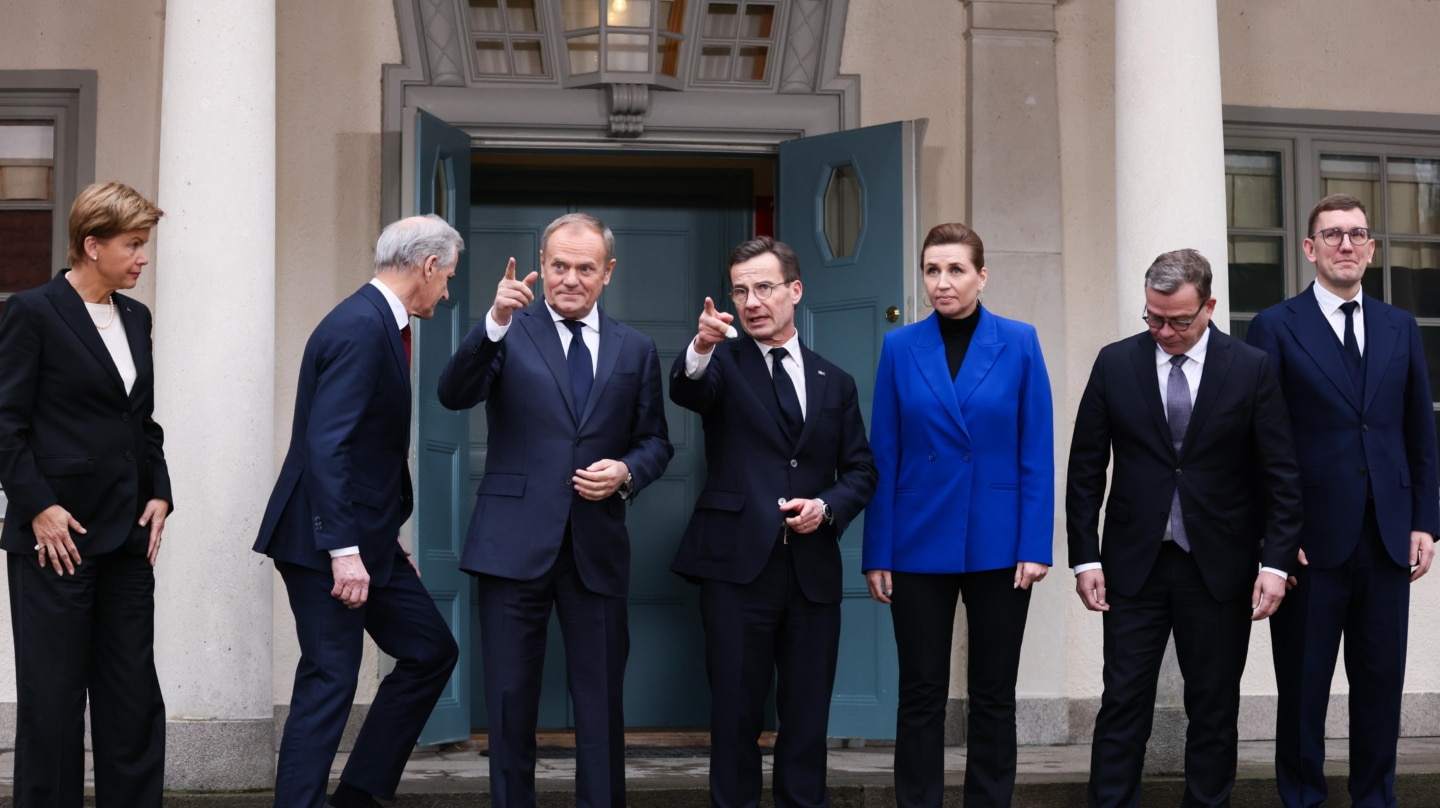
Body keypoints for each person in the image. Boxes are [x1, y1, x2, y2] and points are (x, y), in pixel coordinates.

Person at [436, 212, 673, 808]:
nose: (570, 278)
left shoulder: (635, 348)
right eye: (558, 266)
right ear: (541, 267)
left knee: (600, 701)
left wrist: (626, 471)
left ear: (608, 272)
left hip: (596, 545)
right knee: (511, 700)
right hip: (512, 544)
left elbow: (655, 441)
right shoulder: (506, 329)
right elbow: (453, 392)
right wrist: (493, 321)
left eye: (584, 268)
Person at [1066, 248, 1302, 807]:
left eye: (1178, 320)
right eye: (1153, 317)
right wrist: (1086, 557)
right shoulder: (1115, 363)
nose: (1164, 331)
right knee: (1123, 702)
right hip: (1132, 565)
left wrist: (1275, 562)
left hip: (1219, 567)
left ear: (1209, 306)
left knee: (1215, 706)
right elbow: (1085, 468)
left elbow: (1281, 475)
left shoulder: (1250, 368)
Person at [254, 215, 462, 808]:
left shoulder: (378, 323)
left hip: (367, 538)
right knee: (330, 681)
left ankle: (361, 795)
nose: (446, 291)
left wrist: (384, 536)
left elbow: (365, 449)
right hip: (326, 545)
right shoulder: (359, 327)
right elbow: (328, 445)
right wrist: (345, 550)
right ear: (426, 267)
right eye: (446, 277)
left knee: (430, 652)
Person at [1246, 193, 1439, 808]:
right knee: (1303, 688)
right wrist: (1276, 536)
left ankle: (1374, 799)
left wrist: (1425, 523)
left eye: (1357, 235)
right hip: (1308, 543)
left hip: (1387, 536)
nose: (1346, 245)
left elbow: (1420, 433)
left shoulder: (1398, 326)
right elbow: (1258, 443)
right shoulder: (1275, 326)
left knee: (1380, 686)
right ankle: (1302, 798)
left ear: (1372, 248)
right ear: (1310, 249)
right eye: (1332, 235)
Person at [670, 235, 877, 808]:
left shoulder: (834, 381)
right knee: (735, 715)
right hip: (736, 569)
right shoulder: (721, 363)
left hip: (811, 573)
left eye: (764, 287)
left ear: (795, 290)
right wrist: (701, 346)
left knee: (807, 719)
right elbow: (687, 388)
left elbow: (861, 469)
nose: (752, 300)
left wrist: (826, 506)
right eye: (741, 290)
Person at [862, 222, 1053, 807]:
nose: (941, 282)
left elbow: (1036, 449)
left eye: (954, 270)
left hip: (1001, 541)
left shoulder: (1019, 341)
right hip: (918, 540)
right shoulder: (900, 347)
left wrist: (1035, 543)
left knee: (994, 691)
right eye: (931, 270)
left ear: (981, 276)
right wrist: (878, 551)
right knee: (920, 691)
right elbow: (883, 453)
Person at [0, 181, 171, 806]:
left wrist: (161, 493)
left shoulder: (136, 317)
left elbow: (141, 422)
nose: (143, 257)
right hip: (57, 539)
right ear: (91, 244)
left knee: (132, 697)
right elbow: (5, 424)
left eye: (144, 244)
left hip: (127, 534)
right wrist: (38, 507)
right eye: (133, 244)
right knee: (53, 702)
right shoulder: (32, 311)